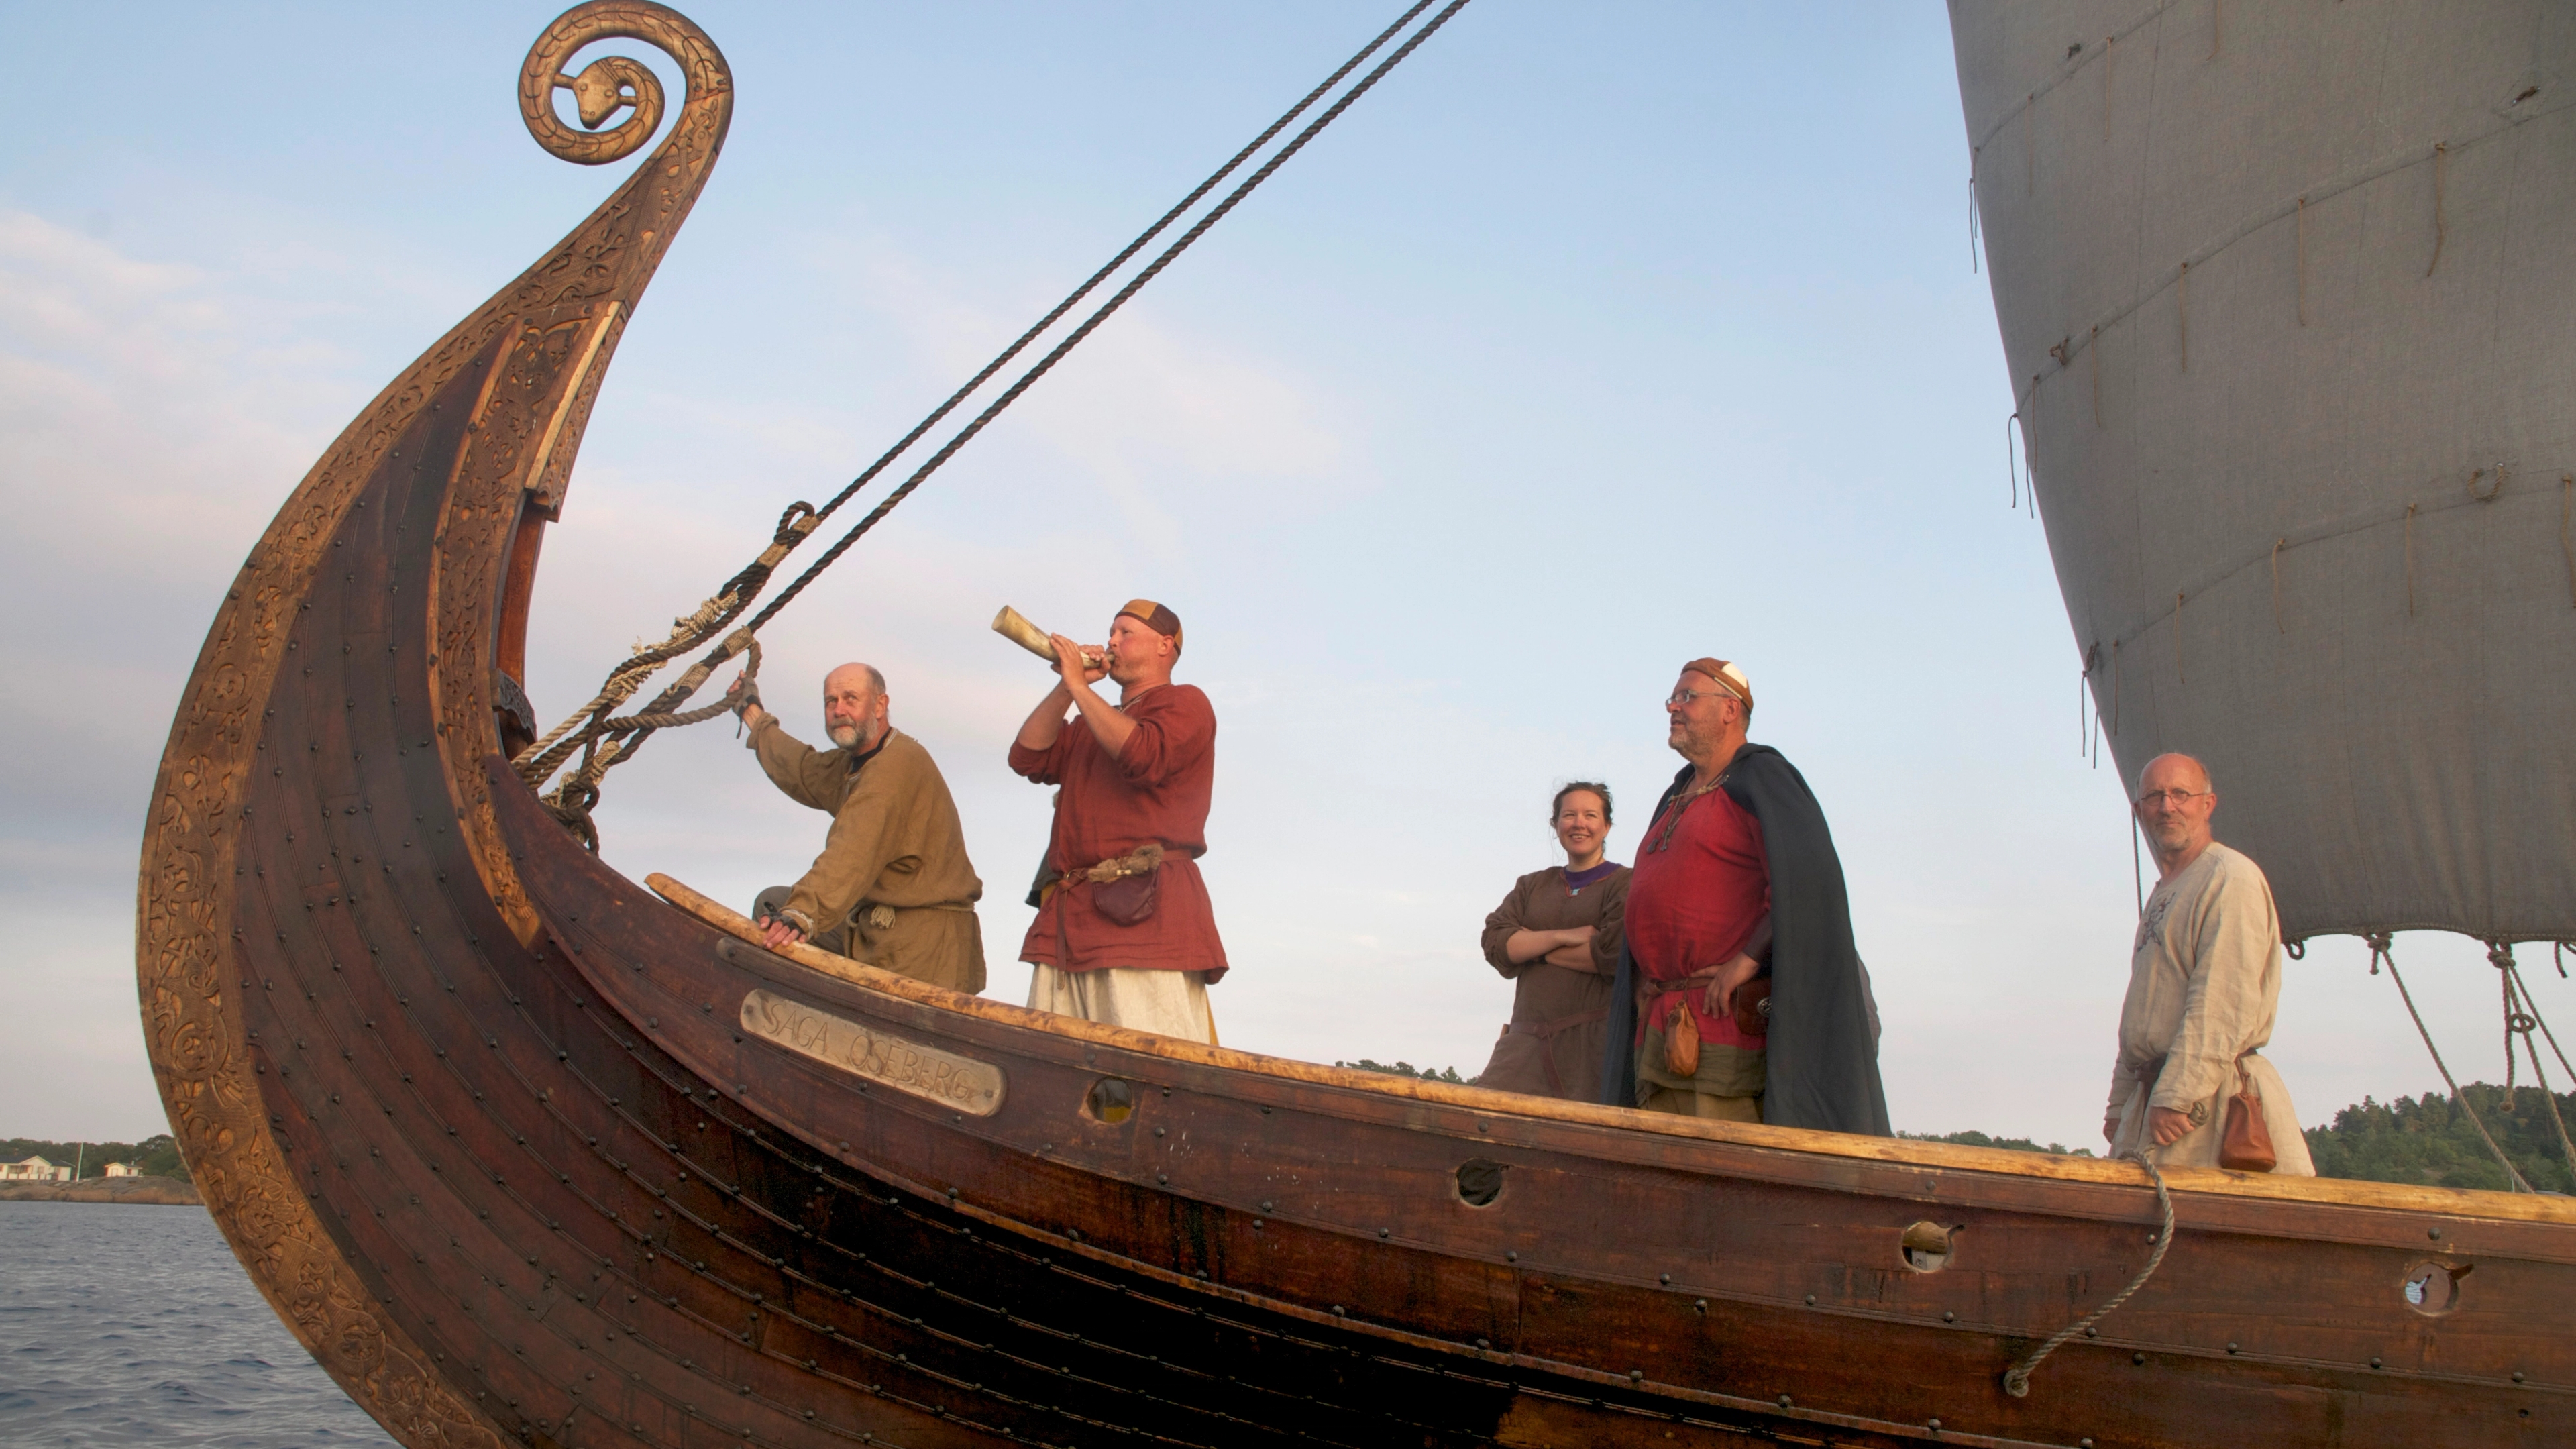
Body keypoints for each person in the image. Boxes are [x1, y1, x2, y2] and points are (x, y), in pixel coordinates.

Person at [1601, 659, 1888, 1134]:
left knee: (1722, 1171)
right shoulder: (1677, 795)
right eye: (1672, 699)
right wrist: (1641, 979)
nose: (1674, 707)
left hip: (1724, 1023)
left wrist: (1748, 961)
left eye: (1687, 697)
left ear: (1730, 709)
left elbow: (1805, 886)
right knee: (1657, 1174)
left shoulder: (1763, 779)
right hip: (1661, 1023)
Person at [1008, 600, 1226, 1042]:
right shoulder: (1092, 723)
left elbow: (1143, 756)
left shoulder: (1187, 702)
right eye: (1111, 632)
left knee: (1149, 1070)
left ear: (1165, 645)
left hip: (1145, 920)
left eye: (1125, 632)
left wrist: (1078, 686)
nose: (1111, 641)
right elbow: (1027, 758)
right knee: (1052, 1069)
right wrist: (1068, 690)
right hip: (1071, 921)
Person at [2103, 753, 2314, 1173]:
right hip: (2154, 1100)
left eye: (2181, 794)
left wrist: (2179, 1095)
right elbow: (2144, 1007)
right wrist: (2120, 1103)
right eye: (2155, 796)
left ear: (2207, 804)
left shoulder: (2229, 877)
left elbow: (2222, 1001)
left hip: (2204, 1108)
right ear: (2139, 810)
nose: (2167, 806)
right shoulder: (2165, 892)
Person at [731, 662, 986, 993]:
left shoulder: (896, 766)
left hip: (920, 942)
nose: (839, 710)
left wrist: (802, 914)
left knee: (787, 918)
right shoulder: (852, 763)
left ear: (880, 706)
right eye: (830, 701)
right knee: (772, 905)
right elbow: (802, 768)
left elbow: (853, 850)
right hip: (871, 926)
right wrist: (753, 714)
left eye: (851, 699)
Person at [1474, 783, 1629, 1100]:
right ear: (1555, 824)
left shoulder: (1625, 883)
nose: (1579, 823)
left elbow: (1612, 955)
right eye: (1569, 815)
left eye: (1590, 815)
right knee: (1482, 1119)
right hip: (1523, 1042)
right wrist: (1562, 936)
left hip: (1592, 1047)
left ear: (1607, 826)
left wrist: (1533, 949)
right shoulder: (1532, 885)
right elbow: (1496, 942)